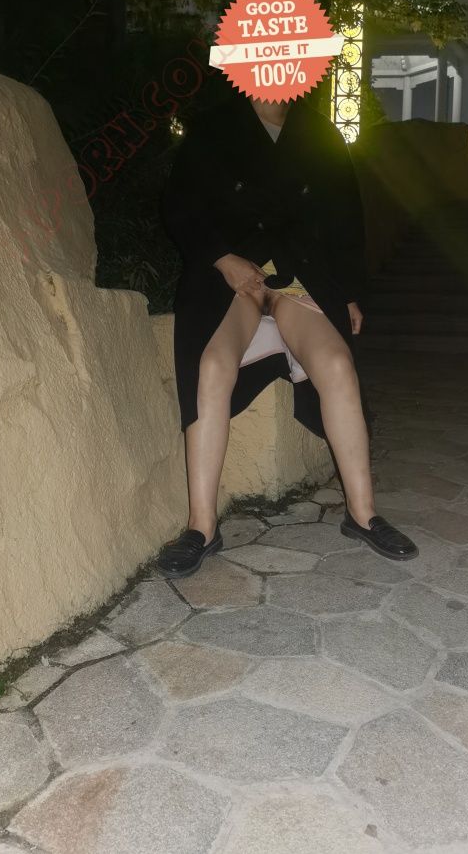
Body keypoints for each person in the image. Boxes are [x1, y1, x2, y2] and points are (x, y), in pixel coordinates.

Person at [154, 88, 419, 578]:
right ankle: (201, 526)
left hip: (301, 276)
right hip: (231, 276)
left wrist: (350, 293)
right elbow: (182, 205)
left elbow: (345, 217)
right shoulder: (215, 127)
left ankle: (363, 514)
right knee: (212, 366)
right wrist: (223, 258)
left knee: (337, 364)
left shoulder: (319, 132)